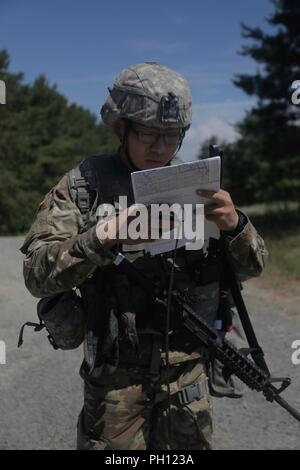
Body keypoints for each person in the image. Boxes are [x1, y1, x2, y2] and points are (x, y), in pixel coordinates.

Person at [20, 62, 267, 450]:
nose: (161, 149)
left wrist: (236, 226)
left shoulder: (196, 184)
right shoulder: (87, 184)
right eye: (150, 135)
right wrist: (103, 237)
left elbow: (252, 269)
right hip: (117, 377)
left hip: (189, 374)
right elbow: (37, 274)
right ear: (121, 128)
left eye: (173, 138)